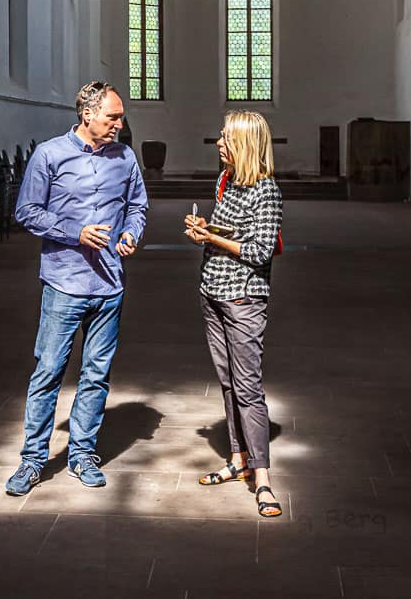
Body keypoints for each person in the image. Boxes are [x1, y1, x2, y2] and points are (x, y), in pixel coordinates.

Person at [5, 81, 149, 496]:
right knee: (49, 371)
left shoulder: (124, 157)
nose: (120, 125)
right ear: (87, 114)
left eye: (120, 117)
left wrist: (131, 234)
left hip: (109, 285)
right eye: (113, 117)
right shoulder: (50, 154)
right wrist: (74, 232)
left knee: (96, 374)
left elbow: (138, 205)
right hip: (64, 283)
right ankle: (32, 460)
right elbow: (27, 211)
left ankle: (82, 453)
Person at [185, 110, 284, 518]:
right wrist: (205, 228)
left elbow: (260, 251)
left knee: (248, 388)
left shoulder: (267, 190)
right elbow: (232, 233)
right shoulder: (225, 181)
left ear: (243, 143)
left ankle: (262, 479)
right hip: (212, 291)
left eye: (225, 138)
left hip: (244, 297)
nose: (219, 144)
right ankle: (237, 458)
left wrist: (211, 237)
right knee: (227, 383)